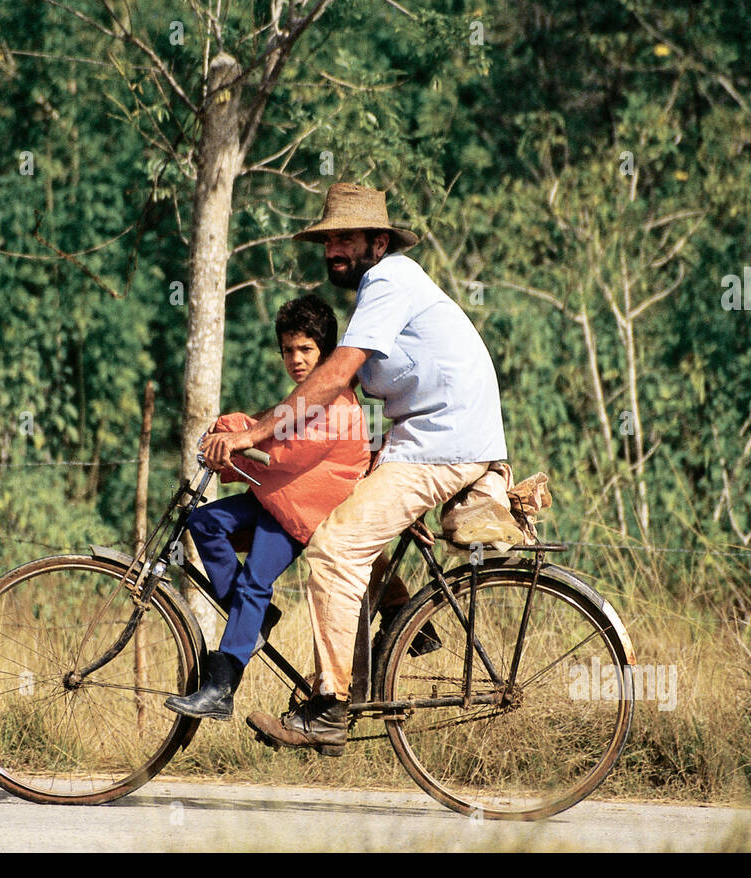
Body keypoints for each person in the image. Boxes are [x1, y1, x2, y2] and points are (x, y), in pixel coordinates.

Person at [200, 182, 507, 755]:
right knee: (349, 530)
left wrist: (255, 434)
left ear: (379, 240)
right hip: (423, 442)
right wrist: (248, 424)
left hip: (443, 445)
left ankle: (329, 709)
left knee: (333, 548)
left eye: (346, 237)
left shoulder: (391, 279)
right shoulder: (380, 291)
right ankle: (387, 632)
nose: (333, 249)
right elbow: (319, 395)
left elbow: (336, 375)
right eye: (327, 239)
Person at [165, 294, 370, 721]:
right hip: (278, 498)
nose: (295, 359)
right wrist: (233, 432)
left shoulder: (337, 403)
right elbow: (268, 427)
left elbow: (282, 454)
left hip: (301, 513)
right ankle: (258, 617)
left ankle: (222, 687)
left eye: (306, 350)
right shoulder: (304, 398)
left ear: (327, 353)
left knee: (255, 579)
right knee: (203, 522)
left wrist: (233, 436)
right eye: (288, 350)